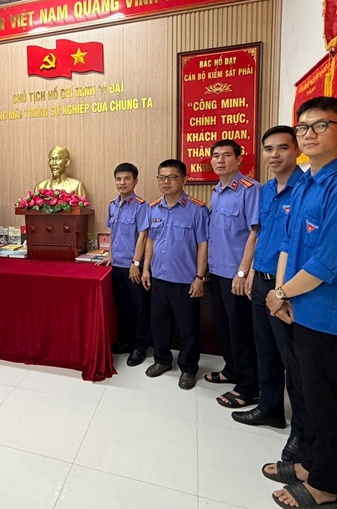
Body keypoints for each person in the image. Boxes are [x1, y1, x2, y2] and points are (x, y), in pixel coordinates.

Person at [263, 97, 337, 509]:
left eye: (320, 125)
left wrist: (281, 293)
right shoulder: (305, 183)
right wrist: (279, 295)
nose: (308, 133)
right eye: (303, 126)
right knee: (304, 393)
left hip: (324, 313)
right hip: (292, 306)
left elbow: (327, 262)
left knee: (324, 399)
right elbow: (288, 243)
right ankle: (308, 464)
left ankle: (325, 485)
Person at [233, 127, 306, 460]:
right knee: (266, 351)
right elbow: (261, 234)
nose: (274, 155)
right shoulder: (265, 190)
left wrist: (281, 290)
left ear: (297, 150)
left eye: (282, 148)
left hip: (285, 288)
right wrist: (249, 272)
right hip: (261, 281)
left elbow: (295, 246)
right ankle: (270, 408)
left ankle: (300, 432)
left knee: (292, 360)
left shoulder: (304, 189)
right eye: (268, 149)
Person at [141, 159, 209, 388]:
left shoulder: (197, 209)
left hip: (185, 280)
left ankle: (188, 368)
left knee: (188, 327)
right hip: (159, 277)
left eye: (172, 177)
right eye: (161, 177)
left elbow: (203, 245)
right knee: (159, 323)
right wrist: (146, 269)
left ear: (184, 180)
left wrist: (199, 277)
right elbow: (150, 241)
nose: (166, 182)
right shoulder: (153, 208)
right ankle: (162, 360)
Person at [206, 139, 262, 409]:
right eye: (216, 156)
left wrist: (243, 272)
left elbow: (256, 232)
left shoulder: (250, 189)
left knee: (242, 332)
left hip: (235, 274)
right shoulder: (216, 191)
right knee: (225, 327)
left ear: (239, 159)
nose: (220, 160)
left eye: (226, 155)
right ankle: (231, 370)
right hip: (217, 271)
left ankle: (249, 386)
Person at [100, 162, 152, 366]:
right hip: (117, 265)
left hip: (133, 266)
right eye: (119, 179)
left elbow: (143, 236)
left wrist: (135, 263)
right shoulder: (112, 205)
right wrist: (110, 255)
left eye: (127, 179)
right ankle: (127, 342)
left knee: (139, 307)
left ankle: (140, 346)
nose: (122, 183)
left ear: (135, 181)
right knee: (123, 306)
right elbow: (113, 233)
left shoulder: (141, 205)